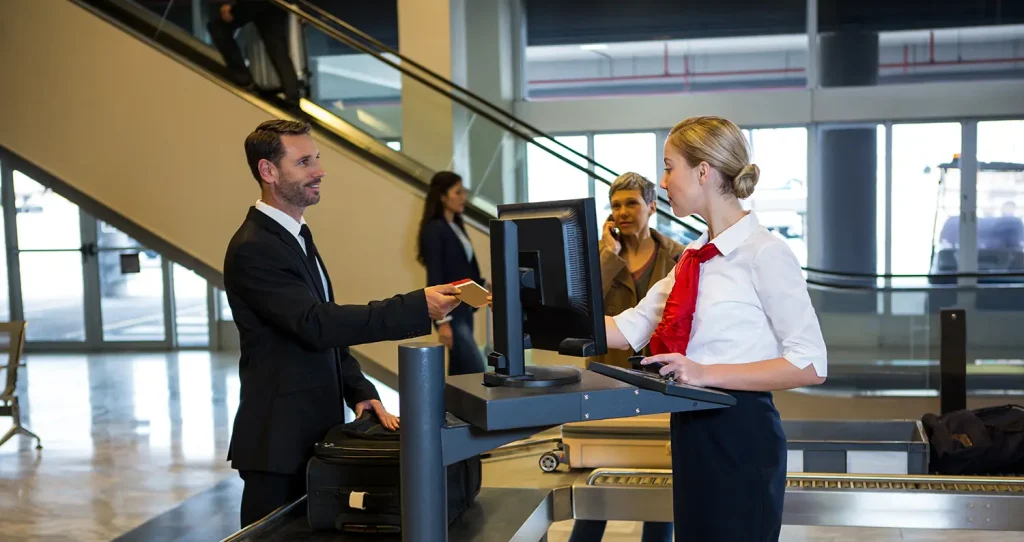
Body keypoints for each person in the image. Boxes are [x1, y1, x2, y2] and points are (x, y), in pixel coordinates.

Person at [224, 120, 462, 527]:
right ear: (268, 171)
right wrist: (415, 307)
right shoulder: (254, 248)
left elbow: (325, 331)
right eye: (304, 162)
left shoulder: (295, 235)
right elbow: (317, 324)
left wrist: (359, 389)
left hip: (311, 432)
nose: (319, 170)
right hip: (276, 444)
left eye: (316, 158)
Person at [605, 116, 828, 541]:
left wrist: (704, 372)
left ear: (703, 171)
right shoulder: (693, 256)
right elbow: (624, 329)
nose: (664, 180)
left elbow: (811, 363)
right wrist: (530, 306)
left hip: (741, 435)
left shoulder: (765, 253)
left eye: (669, 166)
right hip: (692, 432)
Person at [571, 172, 683, 542]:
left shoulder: (678, 256)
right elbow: (582, 310)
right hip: (606, 381)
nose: (622, 212)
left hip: (660, 384)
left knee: (657, 487)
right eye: (616, 204)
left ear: (652, 206)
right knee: (599, 487)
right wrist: (608, 256)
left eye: (631, 203)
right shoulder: (597, 256)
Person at [416, 171, 487, 376]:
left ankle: (453, 409)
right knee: (475, 369)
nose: (463, 197)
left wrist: (486, 288)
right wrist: (442, 323)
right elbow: (436, 276)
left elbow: (463, 269)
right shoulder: (434, 229)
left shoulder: (456, 226)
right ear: (442, 196)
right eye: (457, 192)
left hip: (464, 308)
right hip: (450, 313)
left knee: (461, 373)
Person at [208, 0, 300, 106]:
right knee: (278, 49)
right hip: (276, 4)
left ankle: (243, 78)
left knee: (217, 27)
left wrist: (230, 3)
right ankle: (293, 96)